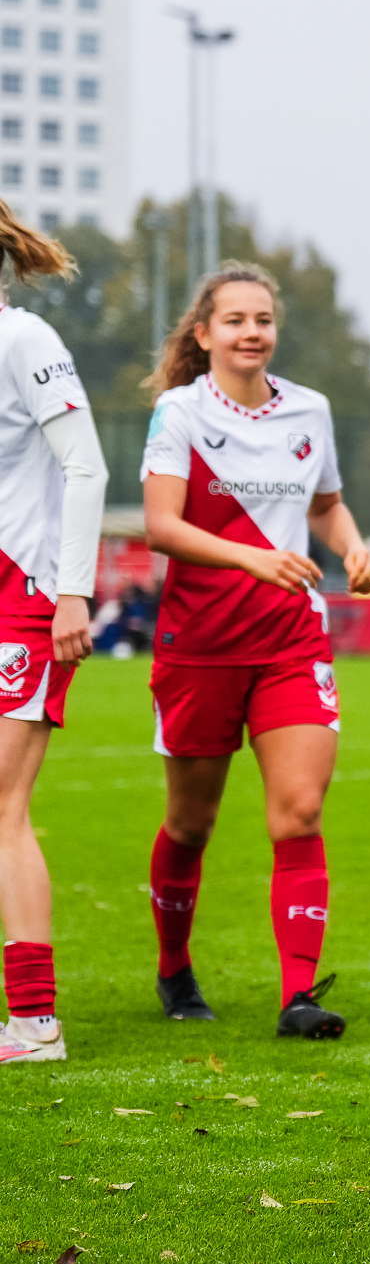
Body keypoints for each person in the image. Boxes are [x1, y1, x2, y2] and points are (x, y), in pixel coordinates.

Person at [137, 262, 370, 1038]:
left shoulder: (310, 409)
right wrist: (253, 557)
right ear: (204, 333)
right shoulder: (177, 412)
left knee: (299, 811)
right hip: (200, 644)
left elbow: (328, 502)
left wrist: (351, 546)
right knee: (189, 824)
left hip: (289, 637)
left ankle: (298, 995)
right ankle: (174, 968)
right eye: (235, 319)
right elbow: (161, 526)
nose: (252, 332)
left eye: (263, 319)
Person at [0, 206, 105, 1066]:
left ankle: (35, 1022)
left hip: (24, 594)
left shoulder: (24, 336)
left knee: (3, 807)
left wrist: (73, 592)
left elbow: (87, 464)